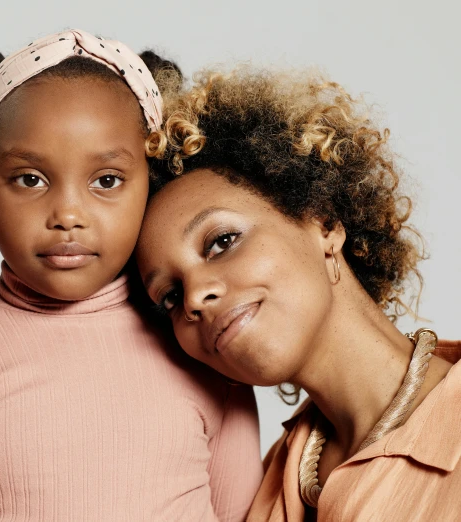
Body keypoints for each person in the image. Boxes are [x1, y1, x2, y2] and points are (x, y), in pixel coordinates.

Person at [0, 30, 262, 522]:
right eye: (30, 179)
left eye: (106, 181)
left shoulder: (206, 352)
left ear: (149, 179)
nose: (68, 215)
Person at [136, 66, 461, 521]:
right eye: (169, 296)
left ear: (322, 222)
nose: (193, 298)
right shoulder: (267, 486)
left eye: (222, 242)